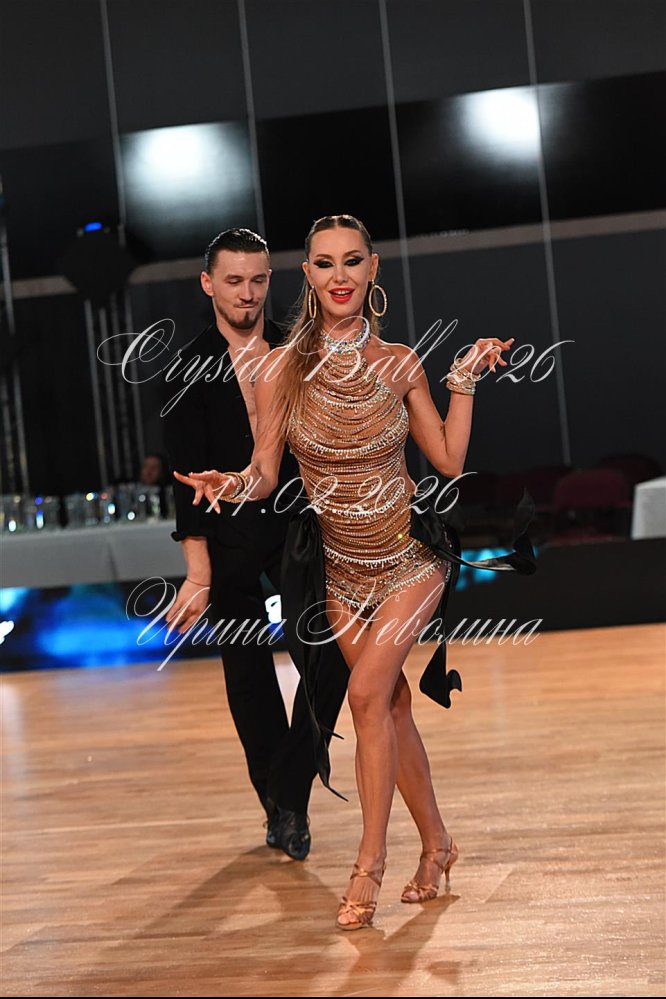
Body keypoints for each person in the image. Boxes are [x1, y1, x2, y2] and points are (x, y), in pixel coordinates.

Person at [174, 214, 537, 930]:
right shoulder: (280, 369)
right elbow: (265, 472)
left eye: (351, 261)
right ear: (307, 275)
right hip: (338, 571)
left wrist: (463, 379)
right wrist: (231, 483)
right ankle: (438, 845)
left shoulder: (400, 362)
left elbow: (447, 462)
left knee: (367, 697)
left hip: (408, 560)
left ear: (372, 269)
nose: (338, 275)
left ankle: (368, 864)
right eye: (323, 263)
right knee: (391, 707)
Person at [162, 227, 350, 861]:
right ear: (208, 284)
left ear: (272, 280)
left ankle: (289, 789)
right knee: (247, 677)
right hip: (228, 532)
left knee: (328, 659)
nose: (247, 293)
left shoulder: (298, 352)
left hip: (296, 523)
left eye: (258, 280)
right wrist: (198, 571)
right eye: (234, 280)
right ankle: (279, 805)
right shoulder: (186, 365)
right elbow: (184, 475)